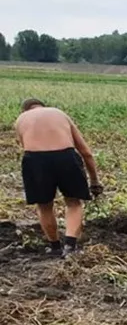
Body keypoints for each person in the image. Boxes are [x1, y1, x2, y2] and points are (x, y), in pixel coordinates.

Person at [14, 98, 102, 257]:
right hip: (66, 157)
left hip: (35, 160)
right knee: (74, 202)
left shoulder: (21, 120)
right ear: (43, 106)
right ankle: (70, 246)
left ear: (25, 110)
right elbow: (86, 153)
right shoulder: (59, 114)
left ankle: (55, 247)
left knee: (44, 205)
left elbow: (25, 146)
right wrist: (95, 181)